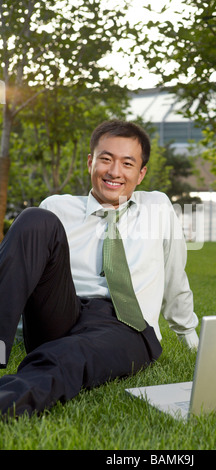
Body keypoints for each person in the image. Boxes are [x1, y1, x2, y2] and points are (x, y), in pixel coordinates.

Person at [0, 120, 199, 418]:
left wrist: (190, 336)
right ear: (91, 162)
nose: (114, 171)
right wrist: (17, 333)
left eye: (127, 163)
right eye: (106, 159)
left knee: (68, 355)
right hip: (61, 314)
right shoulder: (57, 207)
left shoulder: (157, 208)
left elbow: (175, 276)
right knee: (33, 219)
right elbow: (26, 276)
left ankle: (9, 401)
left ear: (141, 173)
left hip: (126, 325)